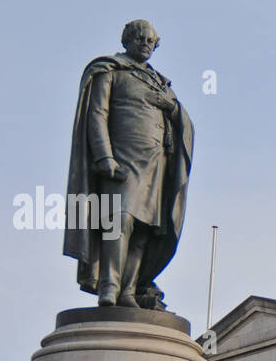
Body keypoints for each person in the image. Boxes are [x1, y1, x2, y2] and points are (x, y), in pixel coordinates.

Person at [63, 20, 194, 308]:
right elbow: (97, 114)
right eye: (139, 38)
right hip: (121, 160)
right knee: (118, 220)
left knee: (145, 231)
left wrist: (171, 107)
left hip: (156, 164)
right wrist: (104, 156)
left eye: (150, 40)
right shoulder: (110, 70)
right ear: (126, 40)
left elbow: (185, 122)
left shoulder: (161, 83)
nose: (145, 43)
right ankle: (108, 286)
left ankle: (128, 290)